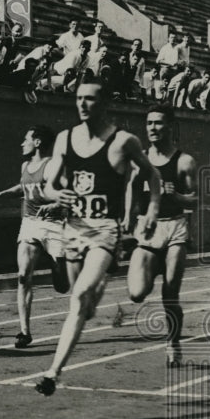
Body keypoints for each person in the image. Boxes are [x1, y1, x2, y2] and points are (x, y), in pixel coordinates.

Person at [33, 83, 161, 396]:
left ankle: (52, 372)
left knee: (79, 296)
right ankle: (102, 282)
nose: (83, 104)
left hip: (105, 230)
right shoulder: (65, 138)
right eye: (78, 99)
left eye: (89, 99)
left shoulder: (123, 141)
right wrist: (55, 193)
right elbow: (48, 184)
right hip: (74, 229)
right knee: (84, 306)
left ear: (103, 103)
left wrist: (152, 210)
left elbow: (152, 175)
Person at [0, 126, 69, 348]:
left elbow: (70, 195)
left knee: (61, 285)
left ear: (37, 142)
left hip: (53, 225)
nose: (22, 143)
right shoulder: (25, 165)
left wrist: (55, 205)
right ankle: (24, 331)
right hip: (30, 223)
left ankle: (58, 263)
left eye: (26, 139)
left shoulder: (51, 166)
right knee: (23, 276)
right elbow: (23, 187)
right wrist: (0, 195)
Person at [125, 107, 197, 365]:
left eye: (158, 123)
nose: (153, 128)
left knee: (170, 294)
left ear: (170, 127)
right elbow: (131, 189)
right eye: (149, 123)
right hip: (149, 229)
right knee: (136, 293)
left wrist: (174, 195)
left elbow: (195, 200)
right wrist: (128, 217)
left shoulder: (183, 161)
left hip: (175, 228)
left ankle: (173, 342)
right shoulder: (139, 159)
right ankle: (151, 266)